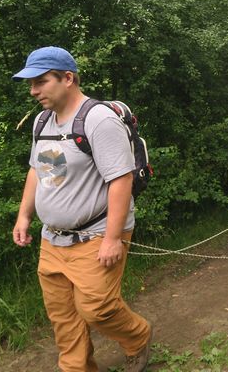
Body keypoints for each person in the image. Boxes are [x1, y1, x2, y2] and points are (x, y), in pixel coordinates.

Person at [12, 46, 152, 372]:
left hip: (96, 233)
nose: (33, 91)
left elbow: (120, 180)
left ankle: (138, 336)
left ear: (68, 78)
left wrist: (113, 238)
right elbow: (39, 170)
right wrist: (24, 215)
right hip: (53, 238)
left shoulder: (98, 120)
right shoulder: (43, 121)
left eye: (41, 82)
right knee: (62, 314)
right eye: (31, 83)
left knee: (97, 308)